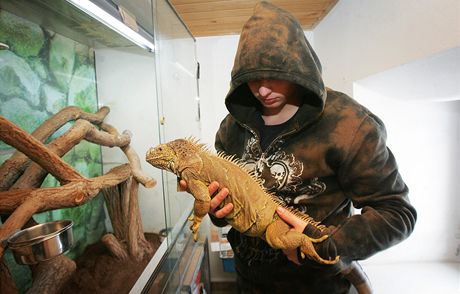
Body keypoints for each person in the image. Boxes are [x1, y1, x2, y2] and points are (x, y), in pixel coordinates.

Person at [183, 1, 416, 293]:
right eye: (252, 79)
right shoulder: (232, 128)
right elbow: (225, 211)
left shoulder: (350, 125)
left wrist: (326, 245)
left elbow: (397, 213)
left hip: (317, 284)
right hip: (246, 279)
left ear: (298, 68)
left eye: (273, 75)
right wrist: (218, 209)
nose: (262, 90)